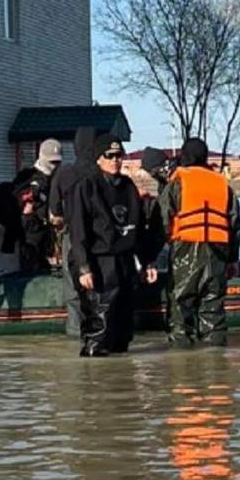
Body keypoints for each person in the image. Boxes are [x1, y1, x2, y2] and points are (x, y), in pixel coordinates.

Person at [66, 134, 159, 356]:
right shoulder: (87, 186)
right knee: (99, 325)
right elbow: (77, 230)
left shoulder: (128, 187)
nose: (116, 160)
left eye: (119, 155)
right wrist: (84, 268)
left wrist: (147, 261)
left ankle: (121, 383)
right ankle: (95, 375)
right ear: (99, 158)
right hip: (98, 261)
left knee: (123, 327)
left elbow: (138, 227)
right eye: (110, 156)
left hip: (124, 260)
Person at [160, 138, 240, 347]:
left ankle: (182, 370)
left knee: (180, 309)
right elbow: (235, 224)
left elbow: (162, 219)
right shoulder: (222, 184)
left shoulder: (177, 182)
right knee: (213, 310)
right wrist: (233, 259)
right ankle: (216, 366)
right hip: (217, 252)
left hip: (185, 250)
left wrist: (152, 254)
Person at [48, 127, 96, 337]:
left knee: (73, 290)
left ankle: (77, 333)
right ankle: (102, 332)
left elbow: (54, 212)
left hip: (73, 236)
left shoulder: (65, 173)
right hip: (101, 236)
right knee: (102, 288)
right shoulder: (102, 172)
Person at [13, 138, 62, 273]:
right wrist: (27, 208)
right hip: (31, 232)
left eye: (58, 162)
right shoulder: (26, 177)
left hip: (52, 233)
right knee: (31, 271)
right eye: (52, 162)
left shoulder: (59, 178)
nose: (55, 166)